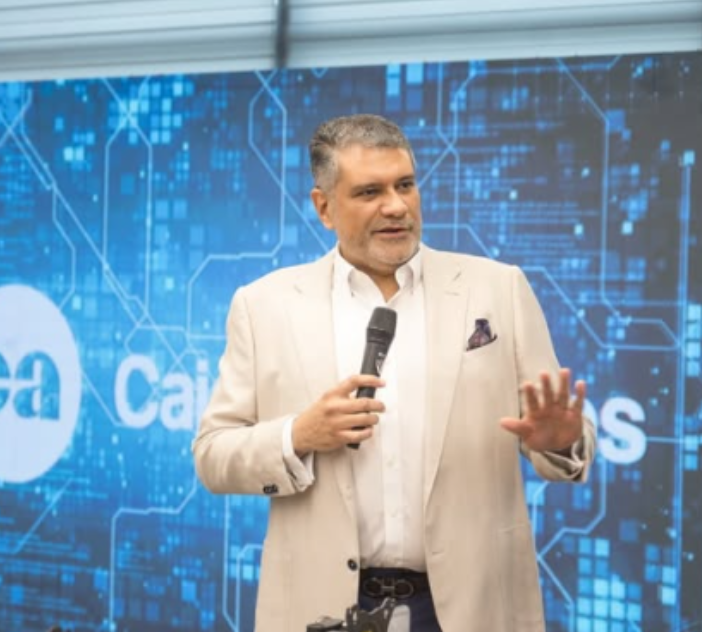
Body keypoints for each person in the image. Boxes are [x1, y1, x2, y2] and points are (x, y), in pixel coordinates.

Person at [193, 114, 596, 632]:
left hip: (472, 607)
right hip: (323, 608)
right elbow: (213, 455)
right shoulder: (264, 306)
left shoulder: (498, 289)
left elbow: (560, 435)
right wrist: (299, 435)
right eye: (369, 192)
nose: (397, 206)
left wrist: (561, 441)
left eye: (405, 185)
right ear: (324, 207)